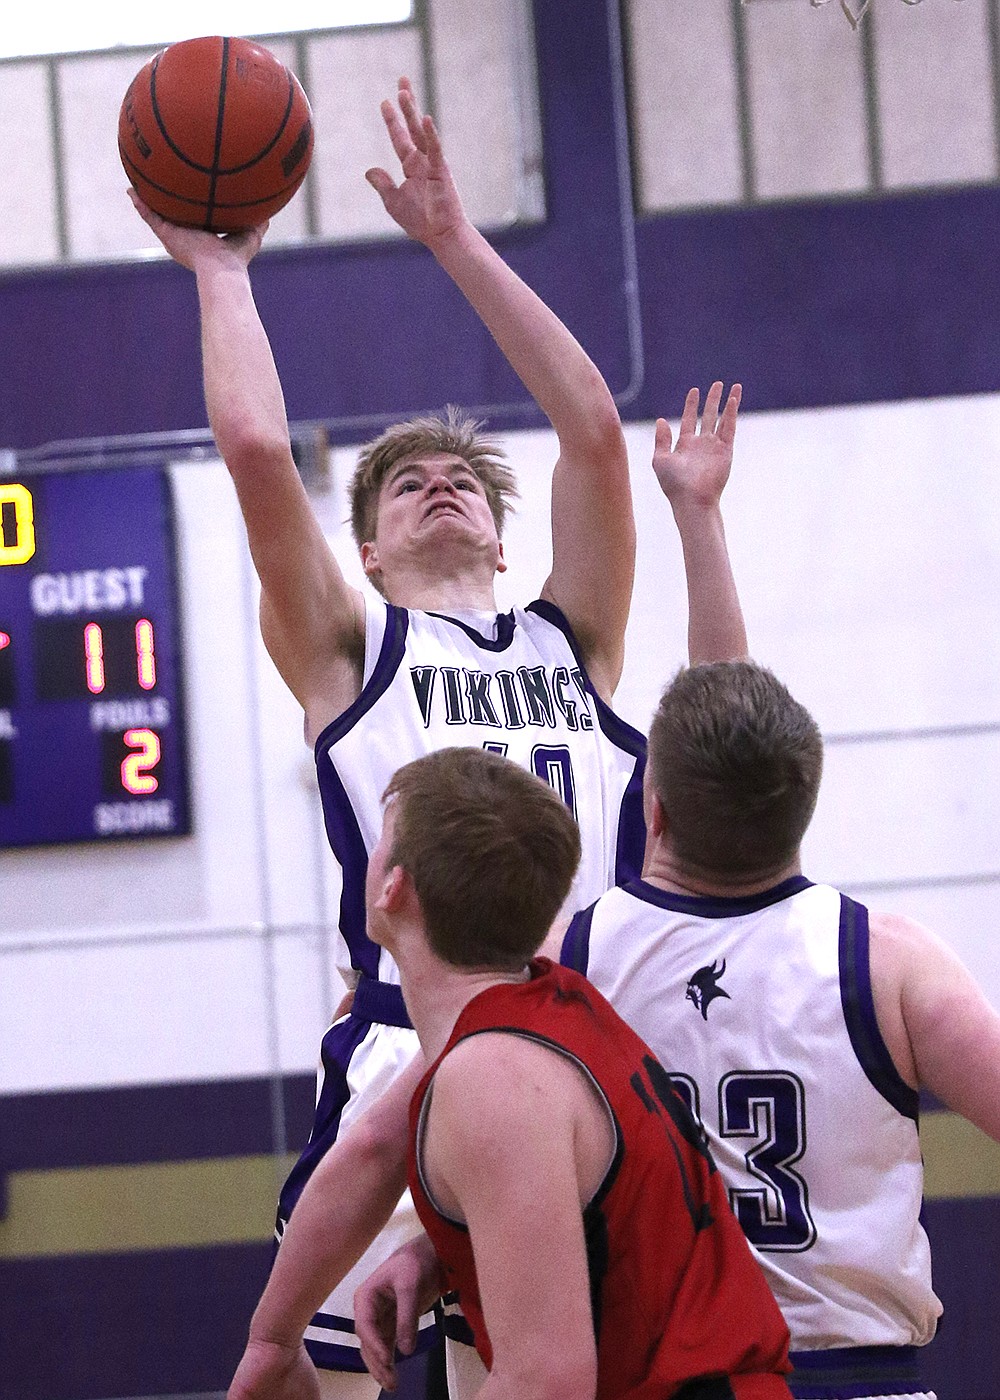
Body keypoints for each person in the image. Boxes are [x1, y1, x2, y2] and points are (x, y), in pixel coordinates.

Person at [129, 76, 749, 1394]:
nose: (442, 483)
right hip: (411, 1056)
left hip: (584, 1056)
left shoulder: (566, 639)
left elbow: (589, 424)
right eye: (406, 482)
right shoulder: (350, 650)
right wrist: (220, 265)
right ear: (365, 548)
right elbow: (250, 446)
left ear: (501, 527)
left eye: (462, 475)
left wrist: (454, 239)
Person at [233, 746, 795, 1400]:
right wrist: (274, 1340)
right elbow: (371, 1151)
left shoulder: (492, 1079)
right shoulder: (541, 1006)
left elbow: (546, 1382)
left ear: (393, 885)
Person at [559, 659, 1000, 1400]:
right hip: (865, 1373)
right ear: (803, 810)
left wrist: (421, 1256)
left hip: (665, 1376)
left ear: (654, 811)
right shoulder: (888, 961)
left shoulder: (571, 962)